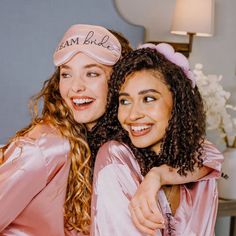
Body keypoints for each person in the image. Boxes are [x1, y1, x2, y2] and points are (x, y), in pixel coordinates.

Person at [0, 24, 123, 236]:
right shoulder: (47, 147)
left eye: (91, 74)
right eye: (66, 75)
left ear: (119, 81)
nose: (75, 86)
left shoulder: (113, 148)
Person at [91, 43, 224, 235]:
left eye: (149, 99)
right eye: (125, 101)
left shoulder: (199, 166)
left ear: (176, 102)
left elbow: (212, 156)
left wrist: (157, 175)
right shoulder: (115, 157)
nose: (133, 114)